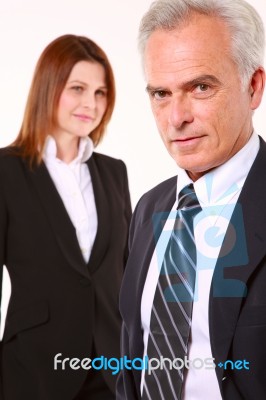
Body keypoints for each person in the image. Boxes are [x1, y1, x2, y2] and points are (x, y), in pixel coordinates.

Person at [117, 0, 266, 399]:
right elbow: (134, 353)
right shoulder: (149, 207)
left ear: (253, 87)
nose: (176, 117)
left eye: (200, 87)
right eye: (161, 93)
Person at [0, 34, 131, 400]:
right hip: (33, 370)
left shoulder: (114, 173)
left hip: (110, 370)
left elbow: (127, 274)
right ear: (49, 86)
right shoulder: (7, 172)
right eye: (78, 88)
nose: (91, 103)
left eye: (100, 92)